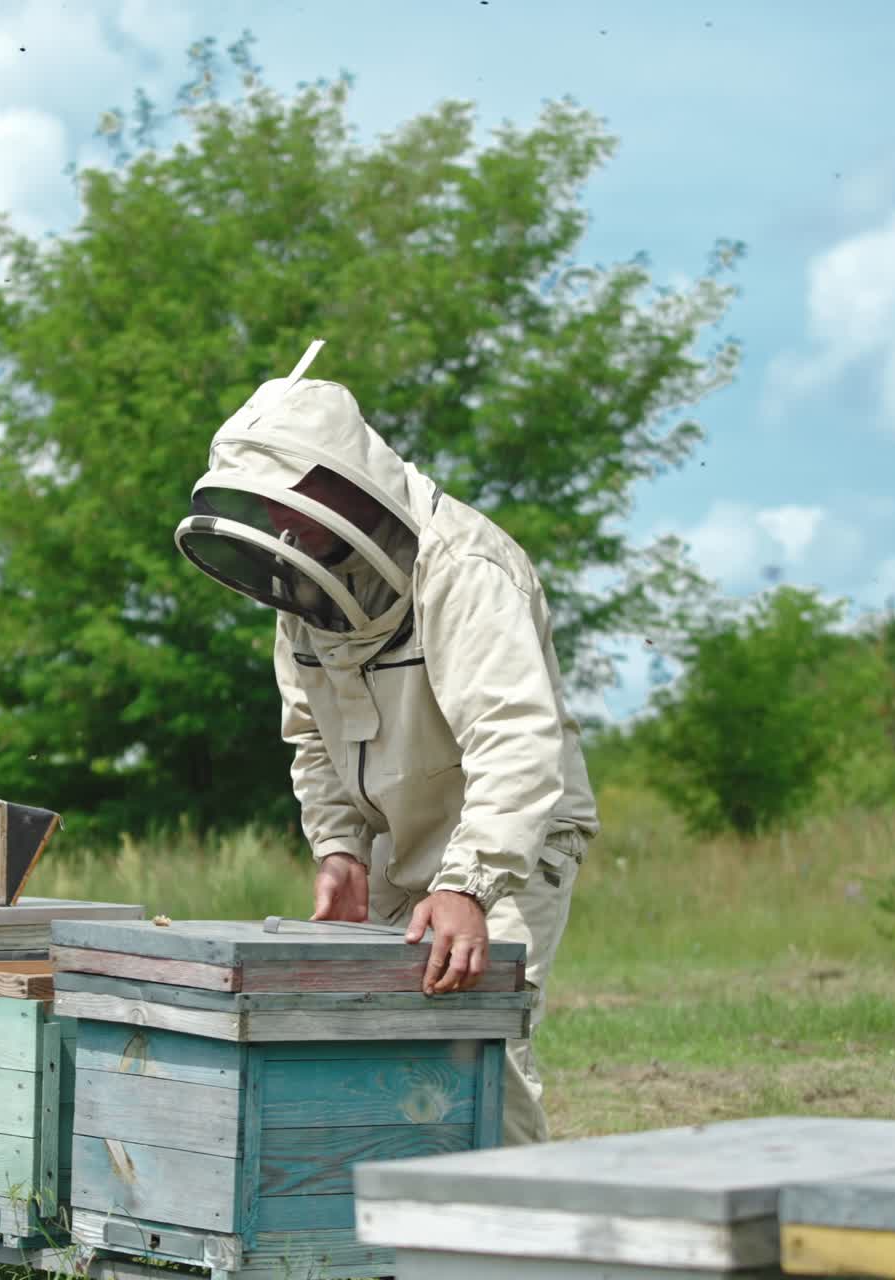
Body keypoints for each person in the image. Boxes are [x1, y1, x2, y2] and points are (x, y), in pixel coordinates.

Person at [175, 341, 599, 1144]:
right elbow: (310, 729)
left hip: (511, 842)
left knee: (473, 1040)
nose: (281, 525)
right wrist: (338, 848)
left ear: (343, 480)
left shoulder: (466, 567)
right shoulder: (301, 581)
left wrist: (470, 886)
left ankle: (506, 1241)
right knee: (367, 1039)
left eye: (292, 501)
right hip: (398, 841)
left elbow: (516, 736)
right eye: (268, 508)